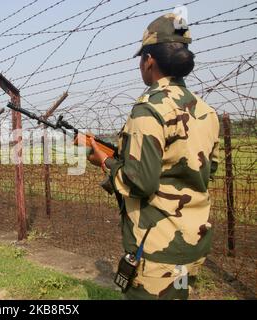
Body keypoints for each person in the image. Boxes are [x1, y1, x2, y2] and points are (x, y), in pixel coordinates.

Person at [85, 13, 220, 299]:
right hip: (192, 246)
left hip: (157, 250)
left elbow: (140, 183)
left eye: (140, 59)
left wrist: (105, 161)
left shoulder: (148, 109)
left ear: (149, 60)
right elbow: (208, 169)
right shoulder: (207, 112)